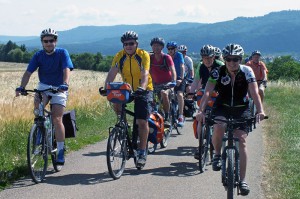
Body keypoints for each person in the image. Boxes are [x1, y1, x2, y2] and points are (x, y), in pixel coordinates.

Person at [196, 43, 266, 196]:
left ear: (240, 59)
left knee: (241, 140)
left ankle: (242, 180)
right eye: (229, 59)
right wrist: (200, 111)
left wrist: (260, 110)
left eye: (236, 59)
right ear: (224, 59)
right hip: (222, 106)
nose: (232, 62)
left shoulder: (247, 71)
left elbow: (254, 92)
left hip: (241, 108)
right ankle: (216, 156)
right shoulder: (217, 72)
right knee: (219, 126)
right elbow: (207, 92)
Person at [15, 28, 74, 165]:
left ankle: (60, 150)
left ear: (56, 41)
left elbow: (66, 69)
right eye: (46, 41)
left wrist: (65, 84)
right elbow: (28, 72)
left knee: (57, 118)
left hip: (59, 88)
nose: (48, 43)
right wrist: (21, 87)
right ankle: (40, 129)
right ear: (42, 42)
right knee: (38, 110)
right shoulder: (38, 55)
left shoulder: (62, 53)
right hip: (44, 87)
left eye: (51, 40)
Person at [104, 31, 153, 168]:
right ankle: (123, 126)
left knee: (142, 121)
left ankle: (142, 152)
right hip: (128, 88)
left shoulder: (143, 55)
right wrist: (106, 87)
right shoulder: (119, 56)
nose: (129, 46)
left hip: (144, 89)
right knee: (115, 100)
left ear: (136, 43)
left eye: (131, 43)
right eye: (126, 44)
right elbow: (112, 73)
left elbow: (145, 74)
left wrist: (142, 88)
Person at [191, 44, 224, 159]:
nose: (207, 60)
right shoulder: (200, 66)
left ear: (214, 57)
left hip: (219, 93)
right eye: (205, 58)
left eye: (210, 58)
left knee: (217, 120)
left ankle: (217, 140)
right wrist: (190, 92)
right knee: (200, 119)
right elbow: (196, 81)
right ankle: (201, 146)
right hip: (205, 92)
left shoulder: (220, 65)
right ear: (202, 58)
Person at [149, 37, 177, 127]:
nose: (156, 48)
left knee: (164, 93)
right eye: (154, 46)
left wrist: (173, 82)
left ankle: (167, 117)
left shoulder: (166, 57)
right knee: (150, 99)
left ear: (162, 47)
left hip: (167, 84)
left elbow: (173, 71)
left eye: (158, 46)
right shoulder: (149, 57)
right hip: (154, 84)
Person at [166, 41, 185, 127]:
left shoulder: (179, 55)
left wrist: (180, 78)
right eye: (169, 49)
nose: (170, 50)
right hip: (170, 79)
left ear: (175, 49)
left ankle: (181, 116)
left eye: (172, 49)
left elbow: (182, 66)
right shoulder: (167, 57)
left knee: (179, 94)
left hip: (180, 78)